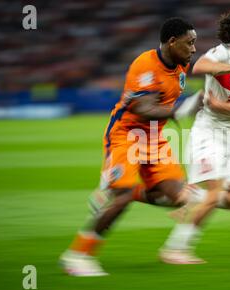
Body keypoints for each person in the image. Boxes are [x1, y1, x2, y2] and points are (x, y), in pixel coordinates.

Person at [60, 17, 199, 276]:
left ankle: (131, 192)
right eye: (189, 43)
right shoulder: (145, 66)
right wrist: (180, 110)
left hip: (155, 139)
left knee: (180, 198)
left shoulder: (181, 65)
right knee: (120, 197)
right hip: (127, 135)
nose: (193, 49)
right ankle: (78, 256)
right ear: (172, 42)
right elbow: (143, 108)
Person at [159, 11, 230, 264]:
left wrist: (222, 107)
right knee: (215, 194)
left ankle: (194, 196)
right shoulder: (221, 53)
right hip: (207, 134)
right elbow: (199, 67)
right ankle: (175, 250)